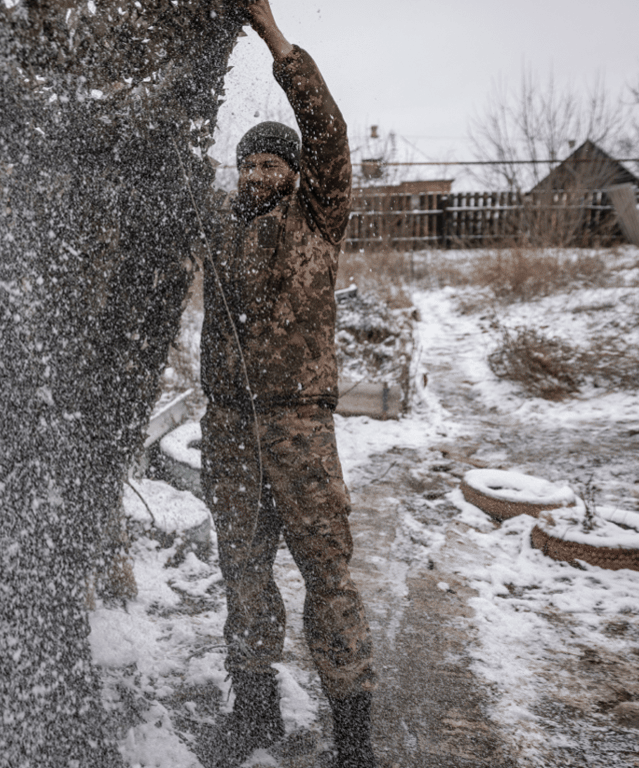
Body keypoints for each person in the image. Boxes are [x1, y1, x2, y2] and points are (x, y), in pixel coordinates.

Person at [198, 2, 376, 767]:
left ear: (295, 175)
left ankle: (355, 739)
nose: (257, 172)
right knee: (242, 572)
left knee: (326, 576)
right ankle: (256, 714)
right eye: (249, 162)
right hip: (231, 430)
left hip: (300, 432)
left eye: (272, 162)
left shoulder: (318, 219)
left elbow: (328, 129)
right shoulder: (216, 225)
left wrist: (273, 38)